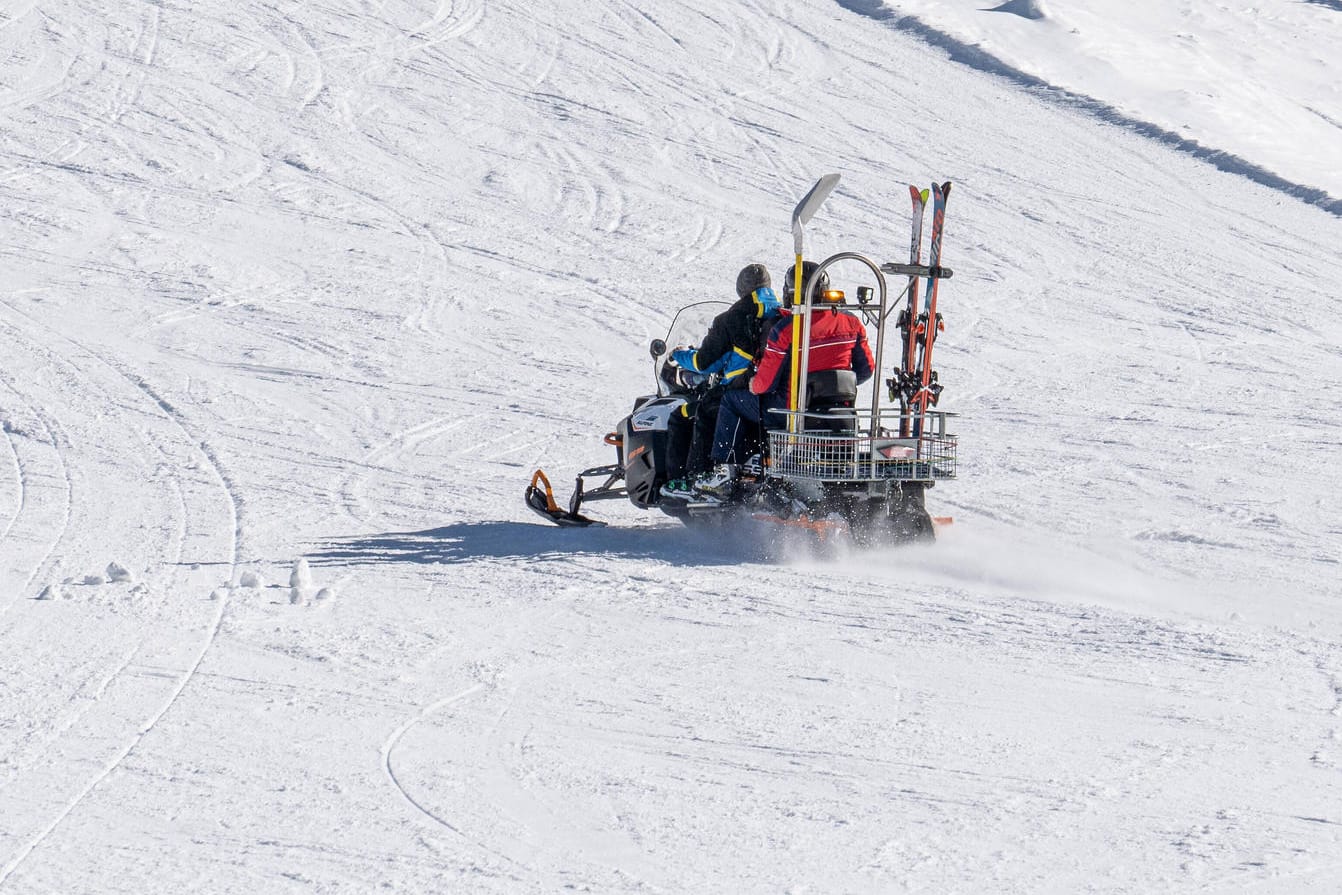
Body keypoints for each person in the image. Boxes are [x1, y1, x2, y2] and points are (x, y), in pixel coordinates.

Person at [696, 260, 874, 495]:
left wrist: (752, 384)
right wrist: (835, 389)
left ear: (791, 293)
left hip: (791, 411)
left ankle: (723, 469)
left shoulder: (788, 329)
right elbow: (866, 369)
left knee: (731, 401)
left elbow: (765, 383)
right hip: (839, 412)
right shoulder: (851, 323)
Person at [660, 263, 781, 497]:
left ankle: (691, 480)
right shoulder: (782, 313)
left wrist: (677, 355)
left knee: (687, 414)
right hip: (774, 393)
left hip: (737, 390)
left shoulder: (732, 317)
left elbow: (704, 363)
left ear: (741, 288)